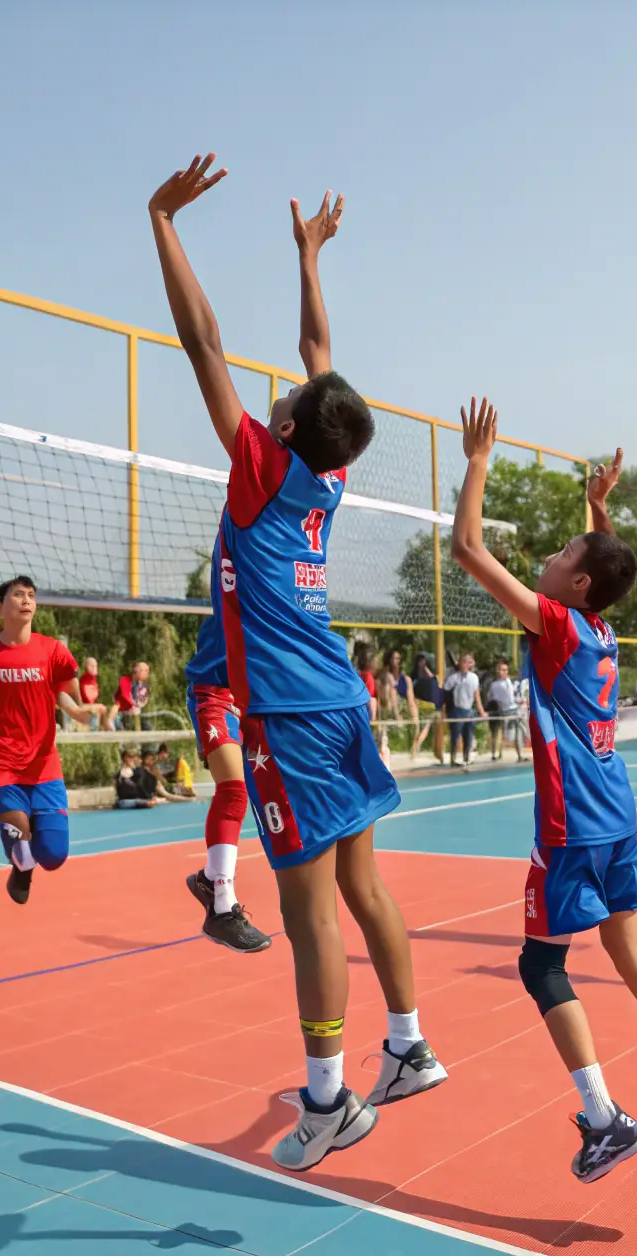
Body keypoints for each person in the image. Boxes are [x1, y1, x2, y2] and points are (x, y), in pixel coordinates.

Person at [149, 152, 446, 1170]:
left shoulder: (262, 469)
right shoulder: (323, 476)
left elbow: (202, 340)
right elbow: (320, 359)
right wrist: (308, 261)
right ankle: (407, 1046)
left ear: (280, 429)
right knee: (364, 888)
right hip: (341, 701)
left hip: (290, 715)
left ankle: (328, 1100)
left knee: (308, 908)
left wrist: (164, 224)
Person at [453, 399, 637, 1189]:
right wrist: (599, 512)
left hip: (572, 820)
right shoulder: (602, 629)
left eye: (562, 551)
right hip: (615, 813)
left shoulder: (559, 625)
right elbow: (597, 569)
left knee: (541, 966)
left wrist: (478, 457)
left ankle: (607, 1120)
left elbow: (467, 546)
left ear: (573, 582)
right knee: (629, 950)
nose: (547, 555)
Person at [0, 576, 93, 904]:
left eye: (31, 595)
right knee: (17, 820)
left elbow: (67, 695)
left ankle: (23, 865)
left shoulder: (52, 650)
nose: (26, 600)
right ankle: (19, 840)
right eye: (18, 594)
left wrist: (81, 712)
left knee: (54, 856)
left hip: (43, 765)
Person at [183, 597, 271, 952]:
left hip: (251, 698)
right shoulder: (245, 564)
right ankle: (221, 906)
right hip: (214, 692)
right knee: (234, 791)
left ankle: (207, 880)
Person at [378, 647, 424, 758]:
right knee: (392, 691)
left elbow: (410, 698)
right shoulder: (385, 676)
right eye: (393, 658)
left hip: (403, 705)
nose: (396, 661)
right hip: (389, 704)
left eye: (398, 658)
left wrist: (414, 713)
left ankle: (415, 744)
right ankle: (397, 717)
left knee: (420, 713)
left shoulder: (405, 678)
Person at [444, 653, 486, 766]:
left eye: (466, 662)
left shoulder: (474, 678)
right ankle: (453, 758)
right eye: (462, 662)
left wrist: (481, 711)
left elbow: (477, 696)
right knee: (455, 735)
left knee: (468, 735)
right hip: (457, 710)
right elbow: (446, 692)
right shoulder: (454, 678)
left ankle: (466, 758)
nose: (464, 664)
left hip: (469, 710)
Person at [485, 657, 522, 761]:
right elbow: (491, 698)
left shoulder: (510, 682)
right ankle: (494, 753)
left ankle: (519, 754)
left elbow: (514, 696)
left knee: (517, 733)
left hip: (513, 710)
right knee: (496, 732)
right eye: (502, 670)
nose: (504, 672)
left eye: (505, 670)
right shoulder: (494, 685)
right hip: (502, 711)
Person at [111, 661, 151, 730]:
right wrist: (133, 706)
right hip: (121, 713)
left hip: (136, 714)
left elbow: (145, 699)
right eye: (145, 671)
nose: (147, 673)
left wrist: (139, 705)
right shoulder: (125, 680)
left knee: (148, 726)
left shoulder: (145, 685)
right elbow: (125, 696)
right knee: (116, 720)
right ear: (137, 671)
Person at [76, 657, 112, 730]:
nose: (95, 668)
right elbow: (87, 699)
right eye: (92, 666)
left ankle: (107, 731)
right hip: (80, 706)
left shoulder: (93, 680)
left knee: (103, 708)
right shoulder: (85, 680)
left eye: (96, 666)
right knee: (102, 708)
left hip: (86, 705)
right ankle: (109, 732)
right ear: (87, 667)